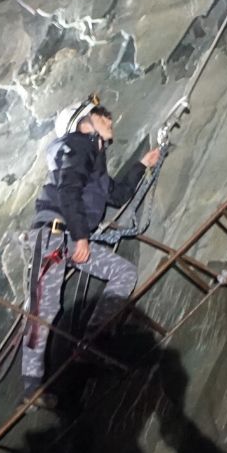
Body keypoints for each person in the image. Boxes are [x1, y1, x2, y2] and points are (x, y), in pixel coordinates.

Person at [22, 97, 162, 400]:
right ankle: (31, 385)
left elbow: (116, 195)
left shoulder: (94, 157)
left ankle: (91, 344)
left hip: (72, 237)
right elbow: (68, 189)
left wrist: (142, 165)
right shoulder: (77, 145)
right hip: (55, 235)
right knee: (45, 307)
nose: (109, 118)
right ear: (84, 121)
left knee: (124, 273)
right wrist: (82, 236)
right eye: (101, 115)